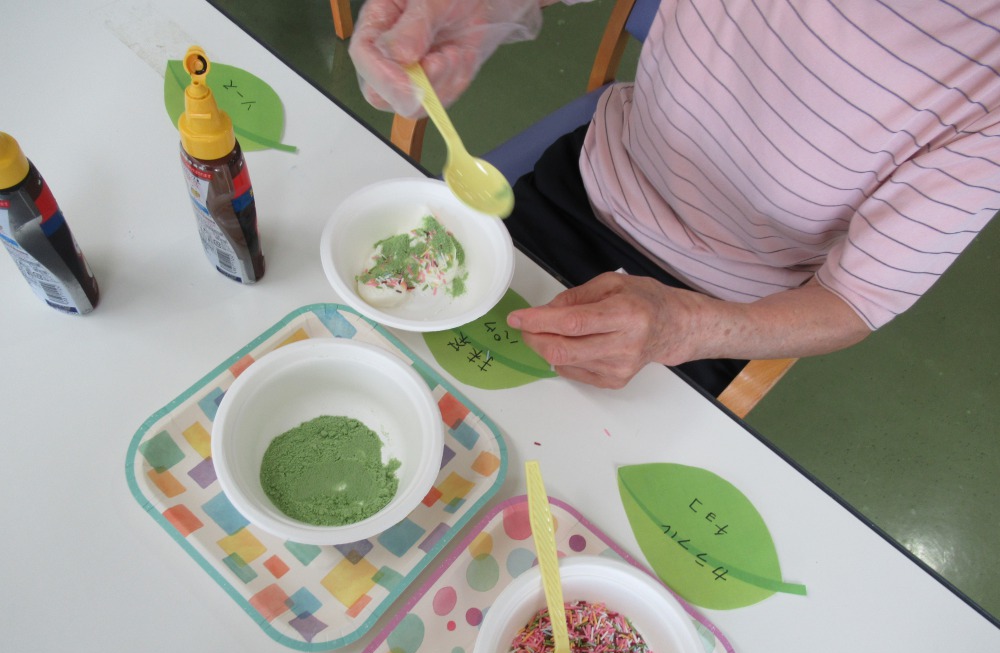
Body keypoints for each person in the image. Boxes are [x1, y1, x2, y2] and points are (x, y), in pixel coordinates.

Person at [350, 0, 1000, 396]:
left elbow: (855, 300)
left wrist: (684, 327)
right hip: (590, 182)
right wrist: (477, 8)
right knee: (381, 358)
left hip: (712, 306)